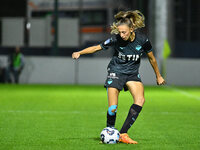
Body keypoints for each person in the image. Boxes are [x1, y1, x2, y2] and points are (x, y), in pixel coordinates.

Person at [72, 10, 165, 144]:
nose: (121, 35)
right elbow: (97, 47)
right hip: (116, 71)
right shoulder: (115, 39)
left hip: (132, 74)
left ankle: (123, 134)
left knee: (140, 100)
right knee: (113, 108)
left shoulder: (143, 40)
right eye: (119, 32)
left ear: (132, 29)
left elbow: (152, 59)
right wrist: (79, 52)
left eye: (124, 32)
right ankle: (110, 131)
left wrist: (158, 76)